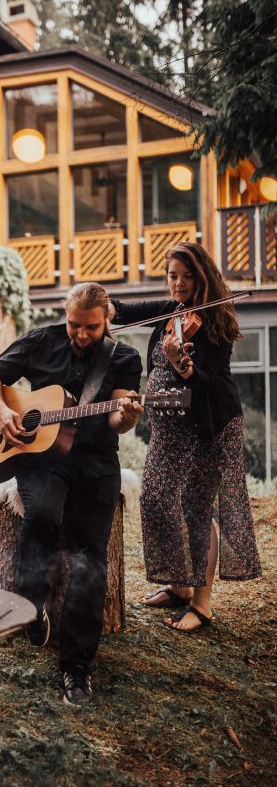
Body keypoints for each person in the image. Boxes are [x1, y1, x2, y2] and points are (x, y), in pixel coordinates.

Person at [0, 283, 143, 707]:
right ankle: (31, 605)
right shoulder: (42, 339)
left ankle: (77, 665)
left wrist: (125, 416)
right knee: (44, 513)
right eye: (74, 324)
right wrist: (4, 411)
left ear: (107, 320)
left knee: (90, 557)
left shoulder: (123, 358)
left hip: (95, 464)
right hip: (43, 461)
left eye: (90, 327)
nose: (81, 334)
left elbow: (117, 424)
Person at [110, 242, 261, 632]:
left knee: (197, 509)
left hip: (208, 426)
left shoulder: (215, 321)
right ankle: (178, 587)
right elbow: (129, 310)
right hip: (168, 427)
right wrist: (109, 309)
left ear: (202, 276)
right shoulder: (173, 310)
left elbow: (210, 381)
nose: (178, 284)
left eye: (186, 276)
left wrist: (182, 365)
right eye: (172, 275)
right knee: (158, 498)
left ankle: (202, 603)